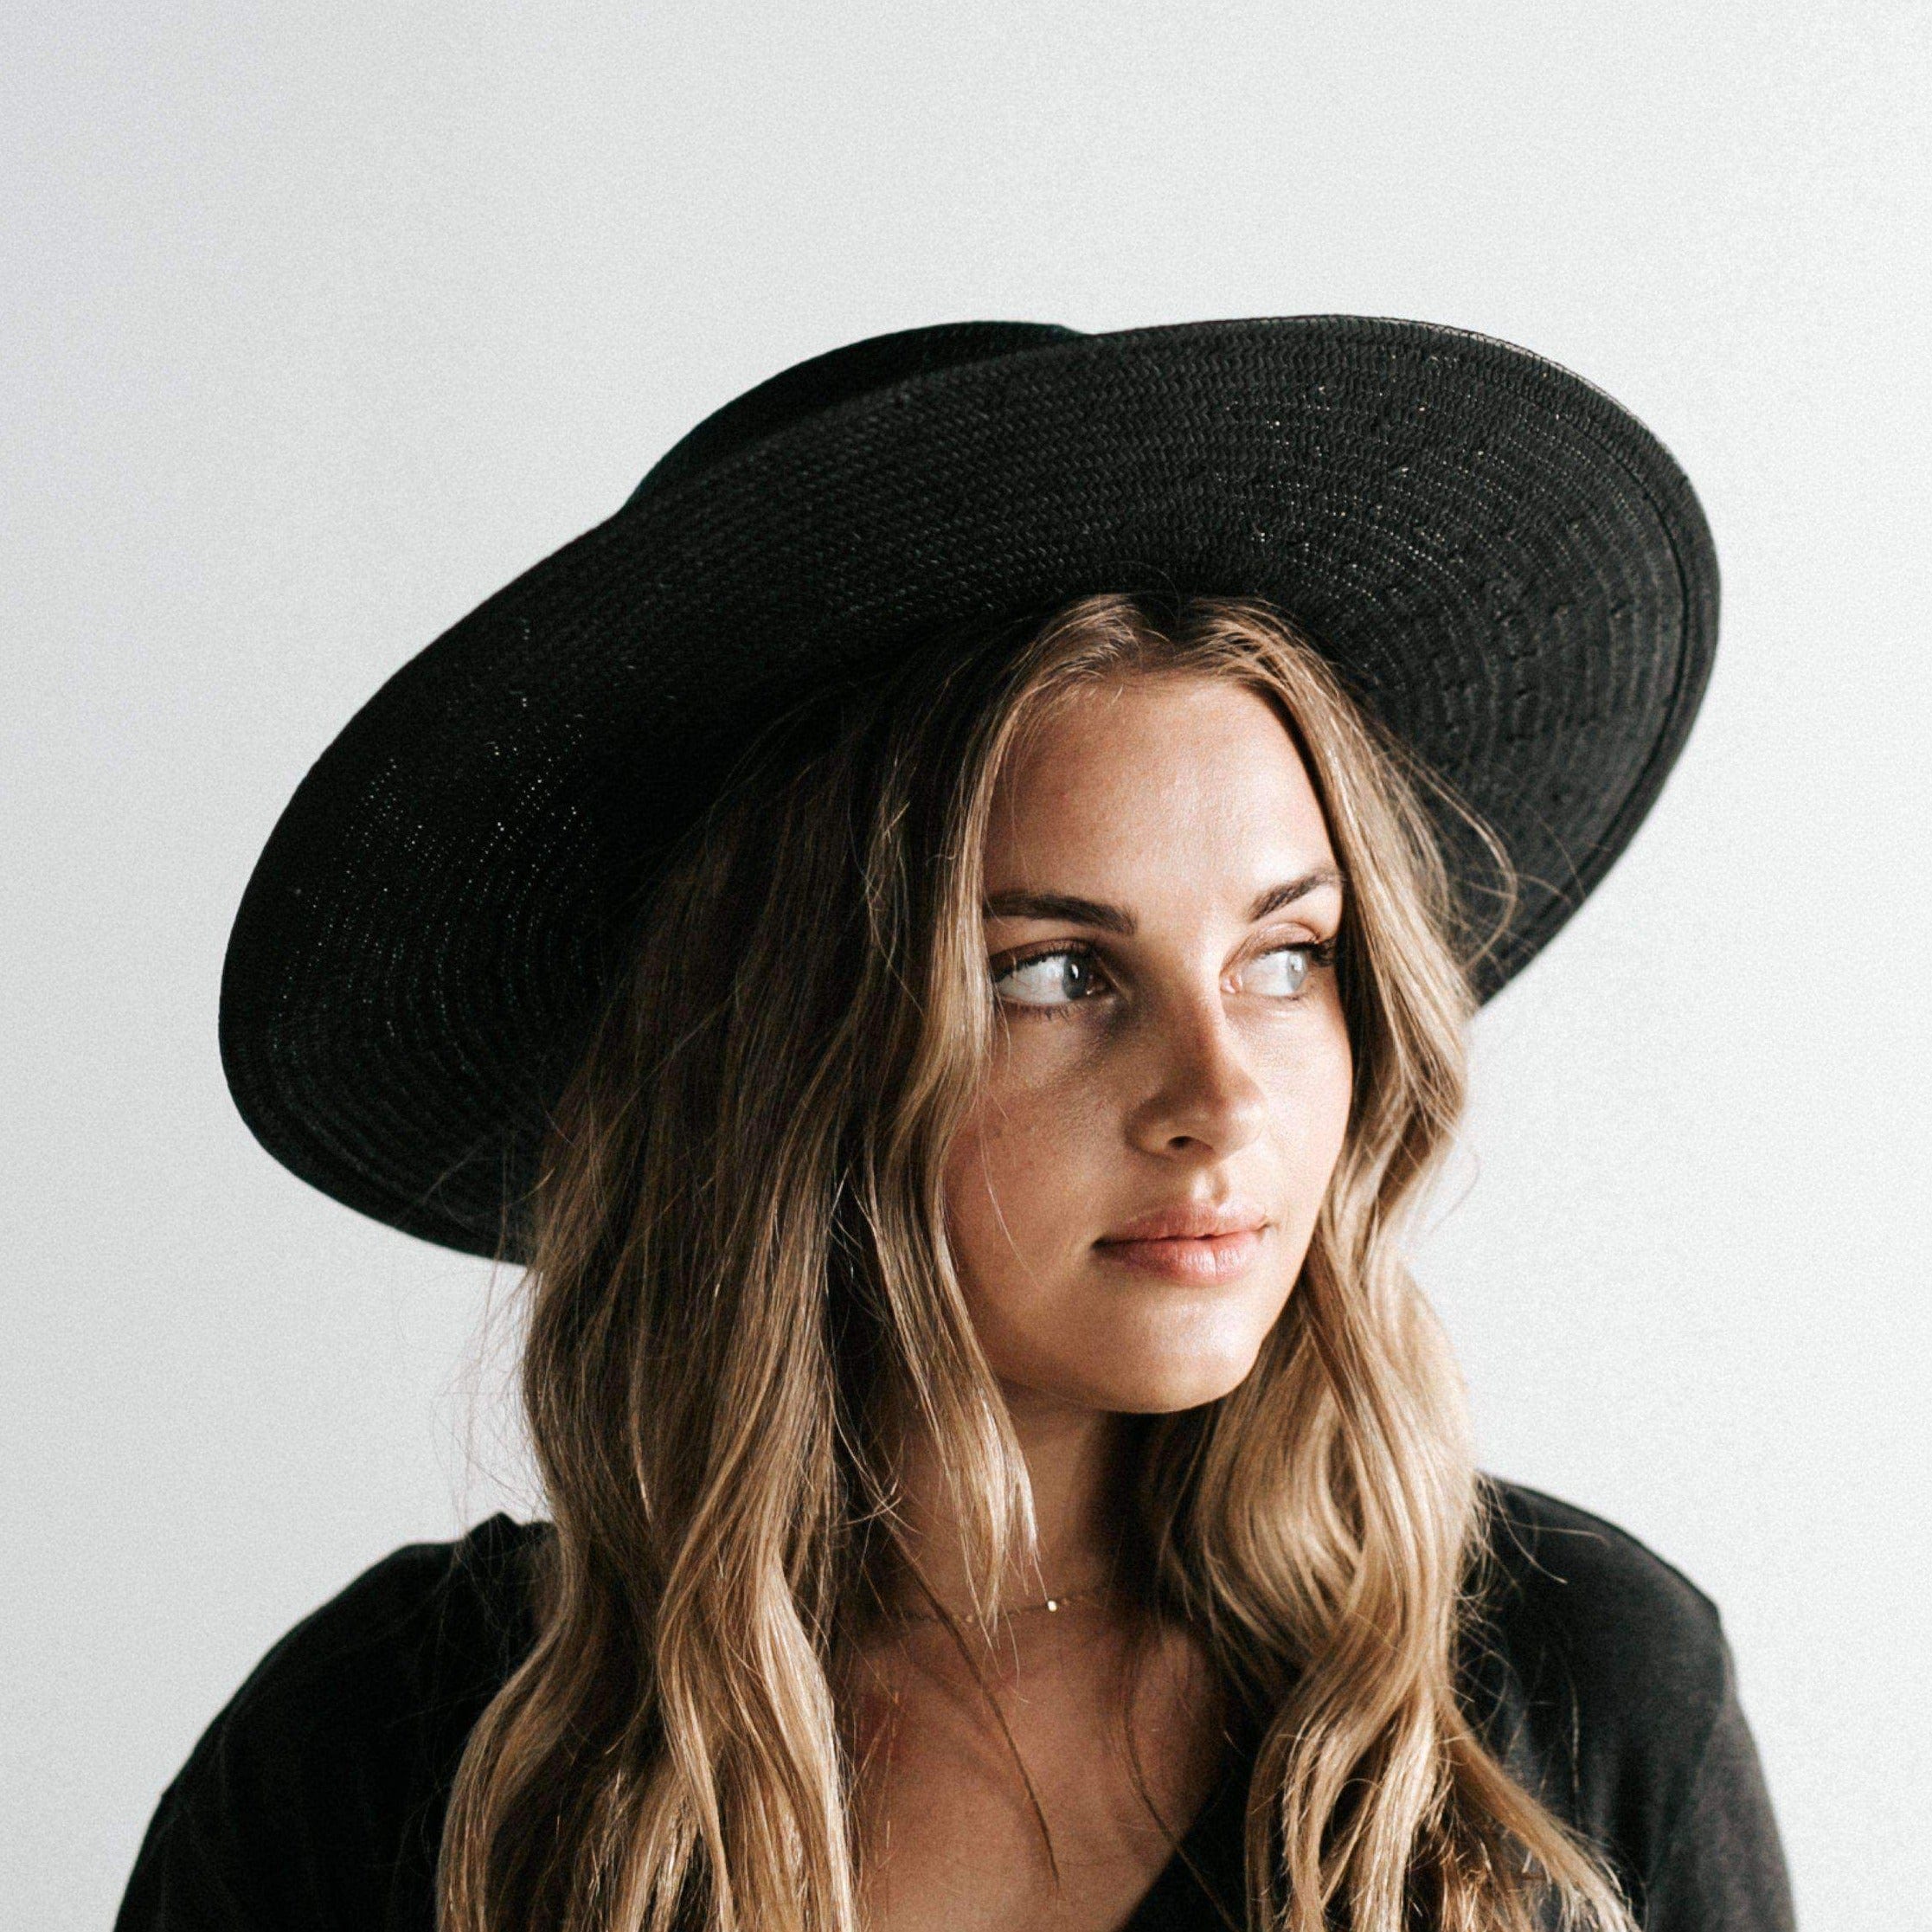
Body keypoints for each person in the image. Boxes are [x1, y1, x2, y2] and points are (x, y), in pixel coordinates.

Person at [117, 319, 1794, 1931]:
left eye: (1285, 956)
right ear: (773, 1056)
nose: (1220, 1098)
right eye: (1059, 971)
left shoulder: (1564, 1706)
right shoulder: (380, 1766)